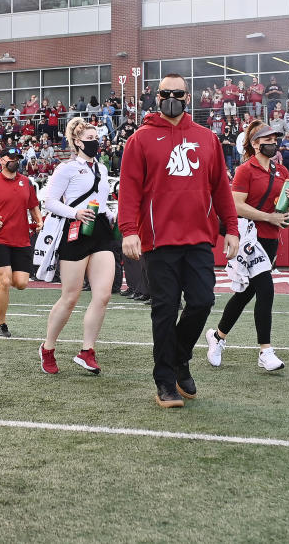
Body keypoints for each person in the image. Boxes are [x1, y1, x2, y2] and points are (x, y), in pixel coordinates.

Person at [118, 73, 239, 408]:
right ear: (157, 97)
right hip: (159, 242)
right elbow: (129, 190)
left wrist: (231, 227)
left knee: (202, 301)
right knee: (165, 310)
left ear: (189, 97)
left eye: (178, 93)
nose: (172, 97)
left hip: (199, 237)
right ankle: (165, 382)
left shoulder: (207, 138)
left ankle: (179, 358)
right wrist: (129, 230)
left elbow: (220, 188)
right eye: (165, 92)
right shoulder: (140, 140)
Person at [205, 122, 289, 372]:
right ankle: (265, 350)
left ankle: (218, 336)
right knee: (265, 290)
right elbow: (235, 206)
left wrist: (285, 208)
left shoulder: (283, 171)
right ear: (255, 143)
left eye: (275, 138)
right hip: (250, 239)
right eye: (267, 139)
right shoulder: (245, 170)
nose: (273, 143)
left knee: (246, 293)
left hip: (271, 237)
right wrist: (269, 217)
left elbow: (280, 207)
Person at [38, 117, 116, 375]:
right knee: (70, 297)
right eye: (90, 140)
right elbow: (49, 201)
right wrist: (75, 213)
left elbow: (102, 201)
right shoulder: (66, 168)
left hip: (101, 230)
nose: (95, 144)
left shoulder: (102, 169)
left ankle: (87, 351)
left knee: (103, 295)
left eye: (97, 139)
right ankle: (48, 348)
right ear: (77, 142)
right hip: (75, 231)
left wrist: (110, 214)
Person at [0, 146, 42, 338]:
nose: (15, 161)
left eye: (17, 158)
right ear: (2, 160)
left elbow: (33, 205)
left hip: (21, 239)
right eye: (11, 158)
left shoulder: (27, 183)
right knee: (6, 280)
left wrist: (39, 220)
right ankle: (1, 324)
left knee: (20, 283)